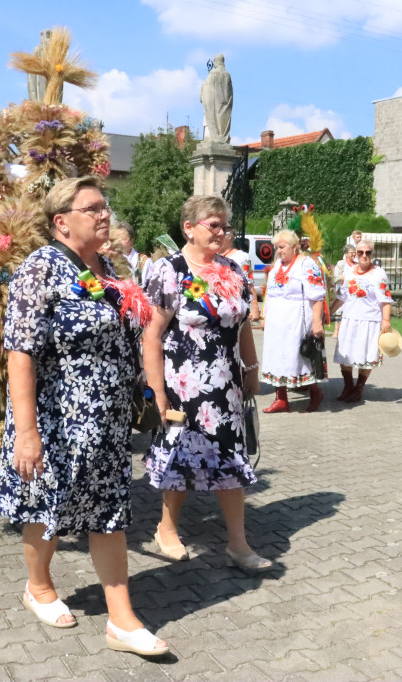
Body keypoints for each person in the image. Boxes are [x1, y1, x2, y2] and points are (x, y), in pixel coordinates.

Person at [0, 176, 168, 656]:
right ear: (61, 221)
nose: (103, 213)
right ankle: (38, 585)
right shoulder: (40, 269)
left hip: (108, 424)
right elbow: (20, 354)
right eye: (91, 207)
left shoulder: (110, 268)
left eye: (104, 205)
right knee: (47, 510)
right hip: (56, 422)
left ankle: (122, 621)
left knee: (109, 512)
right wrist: (27, 433)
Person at [142, 195, 270, 573]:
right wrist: (157, 393)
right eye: (212, 224)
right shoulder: (169, 271)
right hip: (183, 386)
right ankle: (166, 529)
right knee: (180, 459)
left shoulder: (233, 270)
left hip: (226, 387)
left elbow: (243, 323)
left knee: (232, 459)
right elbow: (151, 335)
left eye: (224, 225)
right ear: (189, 228)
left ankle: (238, 543)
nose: (221, 231)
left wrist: (251, 368)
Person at [260, 229, 327, 413]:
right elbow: (270, 294)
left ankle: (315, 392)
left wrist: (316, 322)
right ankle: (281, 398)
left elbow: (317, 296)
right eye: (277, 248)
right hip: (276, 320)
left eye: (282, 247)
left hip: (296, 318)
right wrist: (265, 317)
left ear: (295, 247)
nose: (279, 251)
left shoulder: (307, 265)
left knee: (298, 356)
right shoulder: (276, 267)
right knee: (276, 357)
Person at [334, 239, 393, 402]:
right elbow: (341, 297)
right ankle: (348, 386)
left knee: (366, 355)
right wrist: (328, 313)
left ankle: (359, 389)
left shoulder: (379, 273)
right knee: (344, 354)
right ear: (356, 253)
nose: (364, 255)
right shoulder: (349, 272)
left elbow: (385, 300)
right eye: (360, 252)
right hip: (349, 320)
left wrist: (385, 320)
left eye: (368, 252)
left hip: (370, 321)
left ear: (372, 254)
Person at [219, 224, 260, 323]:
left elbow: (249, 284)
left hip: (235, 306)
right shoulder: (212, 256)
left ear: (229, 238)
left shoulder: (242, 257)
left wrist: (255, 308)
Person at [331, 245, 357, 338]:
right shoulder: (341, 264)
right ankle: (336, 331)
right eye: (351, 252)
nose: (354, 254)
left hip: (353, 292)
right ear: (346, 254)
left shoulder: (357, 265)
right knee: (339, 311)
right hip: (342, 291)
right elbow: (335, 277)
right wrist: (345, 278)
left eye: (355, 252)